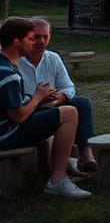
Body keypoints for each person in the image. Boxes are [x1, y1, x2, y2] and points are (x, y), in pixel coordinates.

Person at [0, 16, 90, 198]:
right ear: (17, 42)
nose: (35, 43)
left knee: (74, 106)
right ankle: (58, 180)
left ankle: (72, 162)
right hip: (6, 134)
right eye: (31, 38)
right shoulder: (7, 73)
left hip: (8, 127)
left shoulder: (7, 66)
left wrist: (39, 102)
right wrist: (37, 97)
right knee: (69, 113)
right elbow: (18, 116)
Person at [17, 17, 98, 174]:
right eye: (37, 37)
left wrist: (60, 96)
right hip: (28, 112)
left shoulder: (52, 58)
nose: (42, 41)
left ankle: (86, 154)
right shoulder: (16, 61)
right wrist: (39, 99)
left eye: (45, 36)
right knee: (69, 111)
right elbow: (14, 100)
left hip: (53, 105)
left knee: (82, 102)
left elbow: (68, 86)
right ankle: (59, 173)